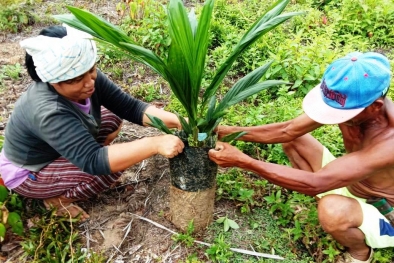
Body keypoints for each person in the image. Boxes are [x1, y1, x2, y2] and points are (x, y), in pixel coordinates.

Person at [208, 51, 394, 263]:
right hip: (352, 179)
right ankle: (337, 209)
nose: (337, 118)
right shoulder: (352, 104)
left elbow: (317, 183)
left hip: (384, 210)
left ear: (375, 107)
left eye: (341, 115)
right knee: (294, 140)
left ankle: (360, 252)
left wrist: (244, 161)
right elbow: (288, 131)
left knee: (331, 210)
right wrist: (226, 131)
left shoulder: (389, 143)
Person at [0, 25, 184, 221]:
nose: (89, 82)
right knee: (108, 169)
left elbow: (130, 108)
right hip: (29, 171)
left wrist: (182, 122)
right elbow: (93, 160)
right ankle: (57, 200)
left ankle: (77, 166)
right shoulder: (48, 111)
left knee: (112, 118)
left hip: (55, 148)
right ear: (53, 81)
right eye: (77, 79)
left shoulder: (85, 75)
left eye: (92, 70)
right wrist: (154, 144)